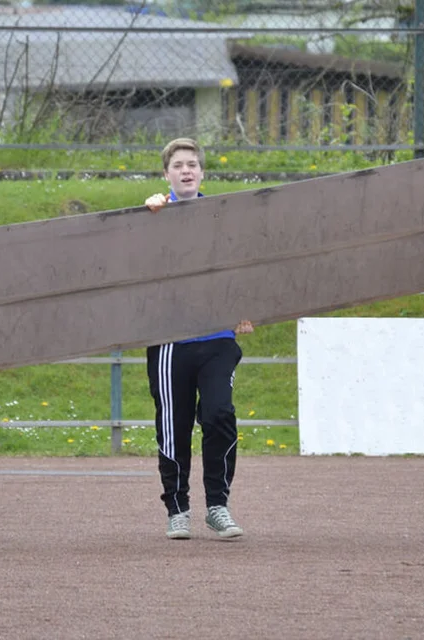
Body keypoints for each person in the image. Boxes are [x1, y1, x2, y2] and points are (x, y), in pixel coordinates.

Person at [144, 137, 254, 540]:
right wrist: (149, 216)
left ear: (202, 172)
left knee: (219, 415)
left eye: (192, 164)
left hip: (217, 337)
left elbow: (239, 265)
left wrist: (245, 308)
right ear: (167, 174)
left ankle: (217, 506)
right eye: (178, 165)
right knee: (174, 426)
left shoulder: (221, 218)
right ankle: (178, 509)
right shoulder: (153, 215)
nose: (186, 170)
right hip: (170, 341)